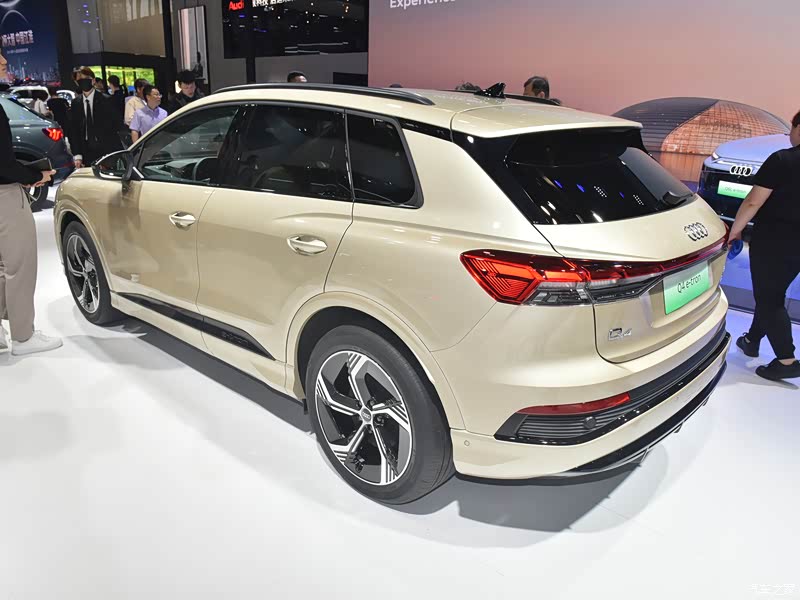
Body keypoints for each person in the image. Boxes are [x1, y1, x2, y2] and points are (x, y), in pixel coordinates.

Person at [730, 110, 800, 381]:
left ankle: (786, 360)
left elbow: (753, 201)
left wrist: (734, 231)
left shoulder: (782, 159)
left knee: (769, 298)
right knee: (772, 291)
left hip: (774, 241)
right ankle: (752, 340)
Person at [0, 48, 62, 356]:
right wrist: (35, 175)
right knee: (19, 266)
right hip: (4, 195)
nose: (4, 63)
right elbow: (3, 163)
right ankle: (24, 337)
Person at [68, 66, 123, 168]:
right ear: (76, 83)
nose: (83, 82)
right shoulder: (76, 103)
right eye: (79, 80)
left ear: (93, 80)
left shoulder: (106, 100)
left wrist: (111, 156)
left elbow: (116, 126)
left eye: (86, 79)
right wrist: (77, 155)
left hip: (106, 151)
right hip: (86, 151)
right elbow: (74, 130)